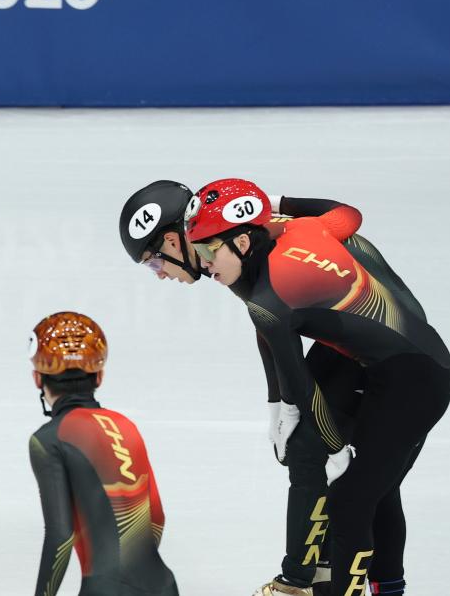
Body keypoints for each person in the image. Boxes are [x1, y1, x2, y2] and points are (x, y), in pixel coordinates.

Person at [185, 178, 450, 596]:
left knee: (349, 501)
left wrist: (333, 448)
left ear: (242, 242)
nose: (204, 265)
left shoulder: (269, 302)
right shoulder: (303, 228)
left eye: (207, 252)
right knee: (377, 493)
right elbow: (347, 213)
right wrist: (270, 202)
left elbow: (304, 391)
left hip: (411, 382)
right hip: (419, 363)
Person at [121, 181, 369, 595]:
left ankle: (298, 583)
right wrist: (278, 404)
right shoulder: (225, 248)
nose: (160, 275)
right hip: (348, 334)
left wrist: (271, 202)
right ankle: (320, 572)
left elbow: (344, 215)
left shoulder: (240, 241)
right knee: (310, 451)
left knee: (312, 450)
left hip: (370, 340)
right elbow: (268, 323)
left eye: (153, 263)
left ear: (172, 241)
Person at [28, 311, 179, 596]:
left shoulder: (49, 439)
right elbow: (156, 517)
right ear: (99, 376)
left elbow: (61, 536)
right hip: (162, 585)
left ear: (38, 378)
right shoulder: (125, 425)